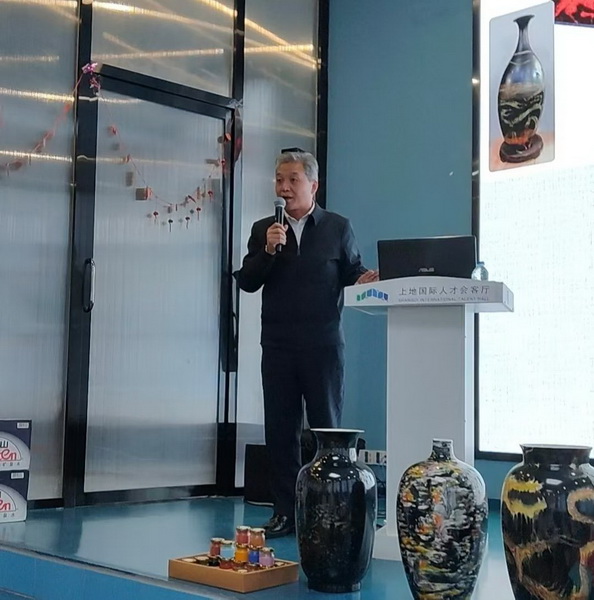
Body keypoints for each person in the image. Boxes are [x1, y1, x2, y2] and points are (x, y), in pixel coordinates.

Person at [234, 149, 378, 538]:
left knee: (327, 432)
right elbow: (247, 280)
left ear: (313, 185)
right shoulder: (264, 229)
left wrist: (367, 278)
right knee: (281, 432)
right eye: (280, 179)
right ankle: (285, 512)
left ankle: (329, 513)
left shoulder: (337, 227)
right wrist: (268, 251)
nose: (284, 187)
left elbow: (352, 271)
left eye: (293, 180)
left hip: (323, 346)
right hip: (278, 346)